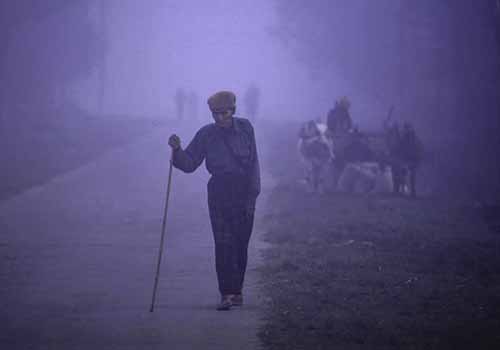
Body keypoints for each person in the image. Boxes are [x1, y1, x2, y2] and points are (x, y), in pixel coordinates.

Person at [168, 90, 261, 311]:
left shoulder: (246, 128)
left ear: (233, 111)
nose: (220, 118)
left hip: (244, 192)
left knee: (240, 244)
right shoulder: (206, 135)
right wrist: (177, 150)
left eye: (224, 113)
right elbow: (190, 163)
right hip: (219, 192)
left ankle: (237, 292)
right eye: (215, 114)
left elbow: (254, 163)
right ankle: (226, 294)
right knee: (223, 243)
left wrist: (253, 194)